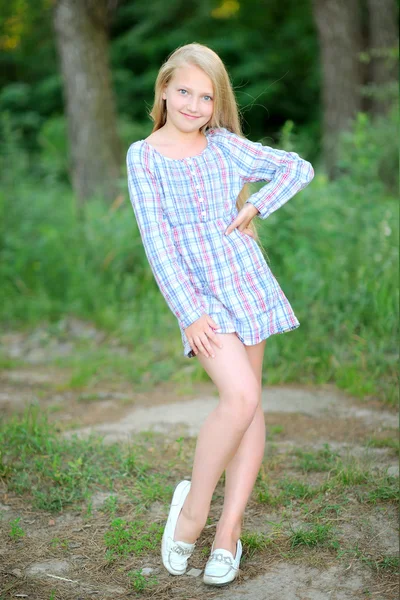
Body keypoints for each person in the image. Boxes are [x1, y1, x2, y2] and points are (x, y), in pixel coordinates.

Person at [126, 42, 314, 586]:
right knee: (239, 396)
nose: (192, 104)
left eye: (205, 96)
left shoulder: (224, 145)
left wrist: (253, 205)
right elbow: (157, 242)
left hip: (244, 279)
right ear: (164, 89)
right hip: (199, 295)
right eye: (183, 90)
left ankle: (229, 532)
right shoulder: (144, 155)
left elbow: (295, 167)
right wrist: (187, 313)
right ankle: (192, 513)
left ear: (216, 104)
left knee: (249, 404)